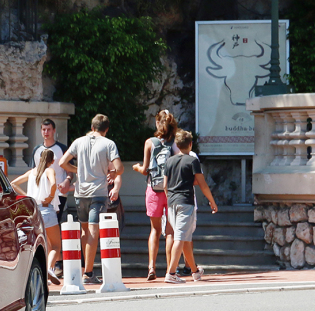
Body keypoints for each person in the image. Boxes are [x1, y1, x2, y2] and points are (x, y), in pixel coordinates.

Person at [58, 114, 123, 284]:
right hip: (98, 193)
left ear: (92, 127)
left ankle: (83, 270)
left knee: (85, 231)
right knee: (94, 232)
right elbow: (120, 167)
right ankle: (88, 272)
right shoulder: (109, 144)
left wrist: (77, 169)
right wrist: (114, 173)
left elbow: (62, 163)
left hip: (80, 193)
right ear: (106, 129)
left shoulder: (79, 141)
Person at [163, 130, 218, 284]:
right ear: (190, 144)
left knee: (185, 238)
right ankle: (171, 273)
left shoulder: (169, 161)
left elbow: (165, 185)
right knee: (180, 238)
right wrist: (212, 201)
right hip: (185, 202)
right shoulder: (192, 161)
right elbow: (202, 184)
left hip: (171, 203)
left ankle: (195, 271)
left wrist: (170, 198)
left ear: (177, 145)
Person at [131, 109, 178, 281]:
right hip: (171, 190)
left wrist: (136, 167)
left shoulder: (149, 142)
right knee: (170, 231)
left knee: (155, 230)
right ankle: (170, 270)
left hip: (153, 190)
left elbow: (145, 170)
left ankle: (151, 266)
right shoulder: (174, 143)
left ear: (157, 123)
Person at [12, 147, 61, 285]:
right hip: (46, 209)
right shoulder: (49, 170)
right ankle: (50, 268)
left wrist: (28, 196)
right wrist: (50, 196)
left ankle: (39, 273)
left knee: (41, 244)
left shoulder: (31, 172)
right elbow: (53, 184)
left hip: (33, 212)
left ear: (39, 159)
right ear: (51, 161)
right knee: (56, 245)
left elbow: (13, 183)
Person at [32, 118, 71, 222]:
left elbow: (70, 170)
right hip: (41, 194)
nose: (46, 132)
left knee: (54, 221)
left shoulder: (62, 148)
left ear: (54, 130)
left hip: (58, 193)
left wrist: (67, 181)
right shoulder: (36, 150)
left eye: (49, 129)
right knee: (41, 223)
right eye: (44, 129)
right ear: (41, 131)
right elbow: (34, 172)